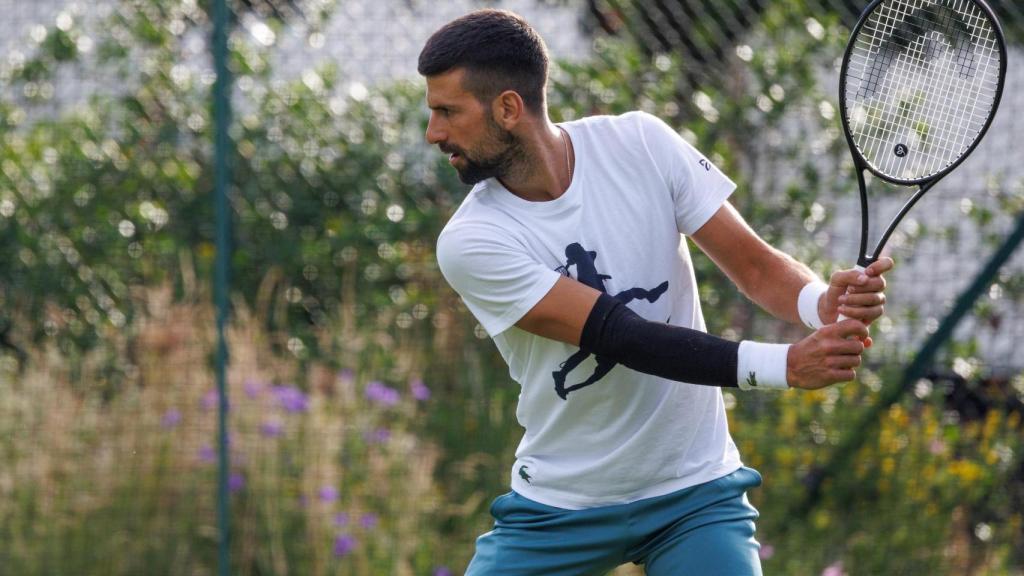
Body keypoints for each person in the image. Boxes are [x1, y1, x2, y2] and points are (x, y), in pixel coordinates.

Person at [418, 9, 893, 576]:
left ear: (508, 108)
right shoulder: (472, 241)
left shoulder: (641, 143)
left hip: (695, 494)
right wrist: (787, 364)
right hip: (561, 507)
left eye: (447, 111)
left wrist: (821, 304)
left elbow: (758, 269)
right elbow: (623, 336)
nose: (434, 133)